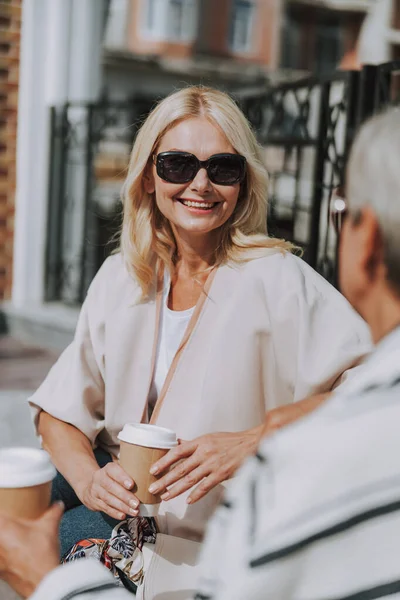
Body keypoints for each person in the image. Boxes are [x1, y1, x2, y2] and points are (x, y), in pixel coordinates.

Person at [1, 106, 395, 600]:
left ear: (244, 183)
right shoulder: (122, 276)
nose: (201, 184)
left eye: (223, 168)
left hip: (211, 549)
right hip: (122, 524)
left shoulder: (278, 279)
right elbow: (58, 413)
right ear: (148, 176)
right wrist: (89, 479)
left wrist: (253, 440)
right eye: (178, 165)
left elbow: (375, 391)